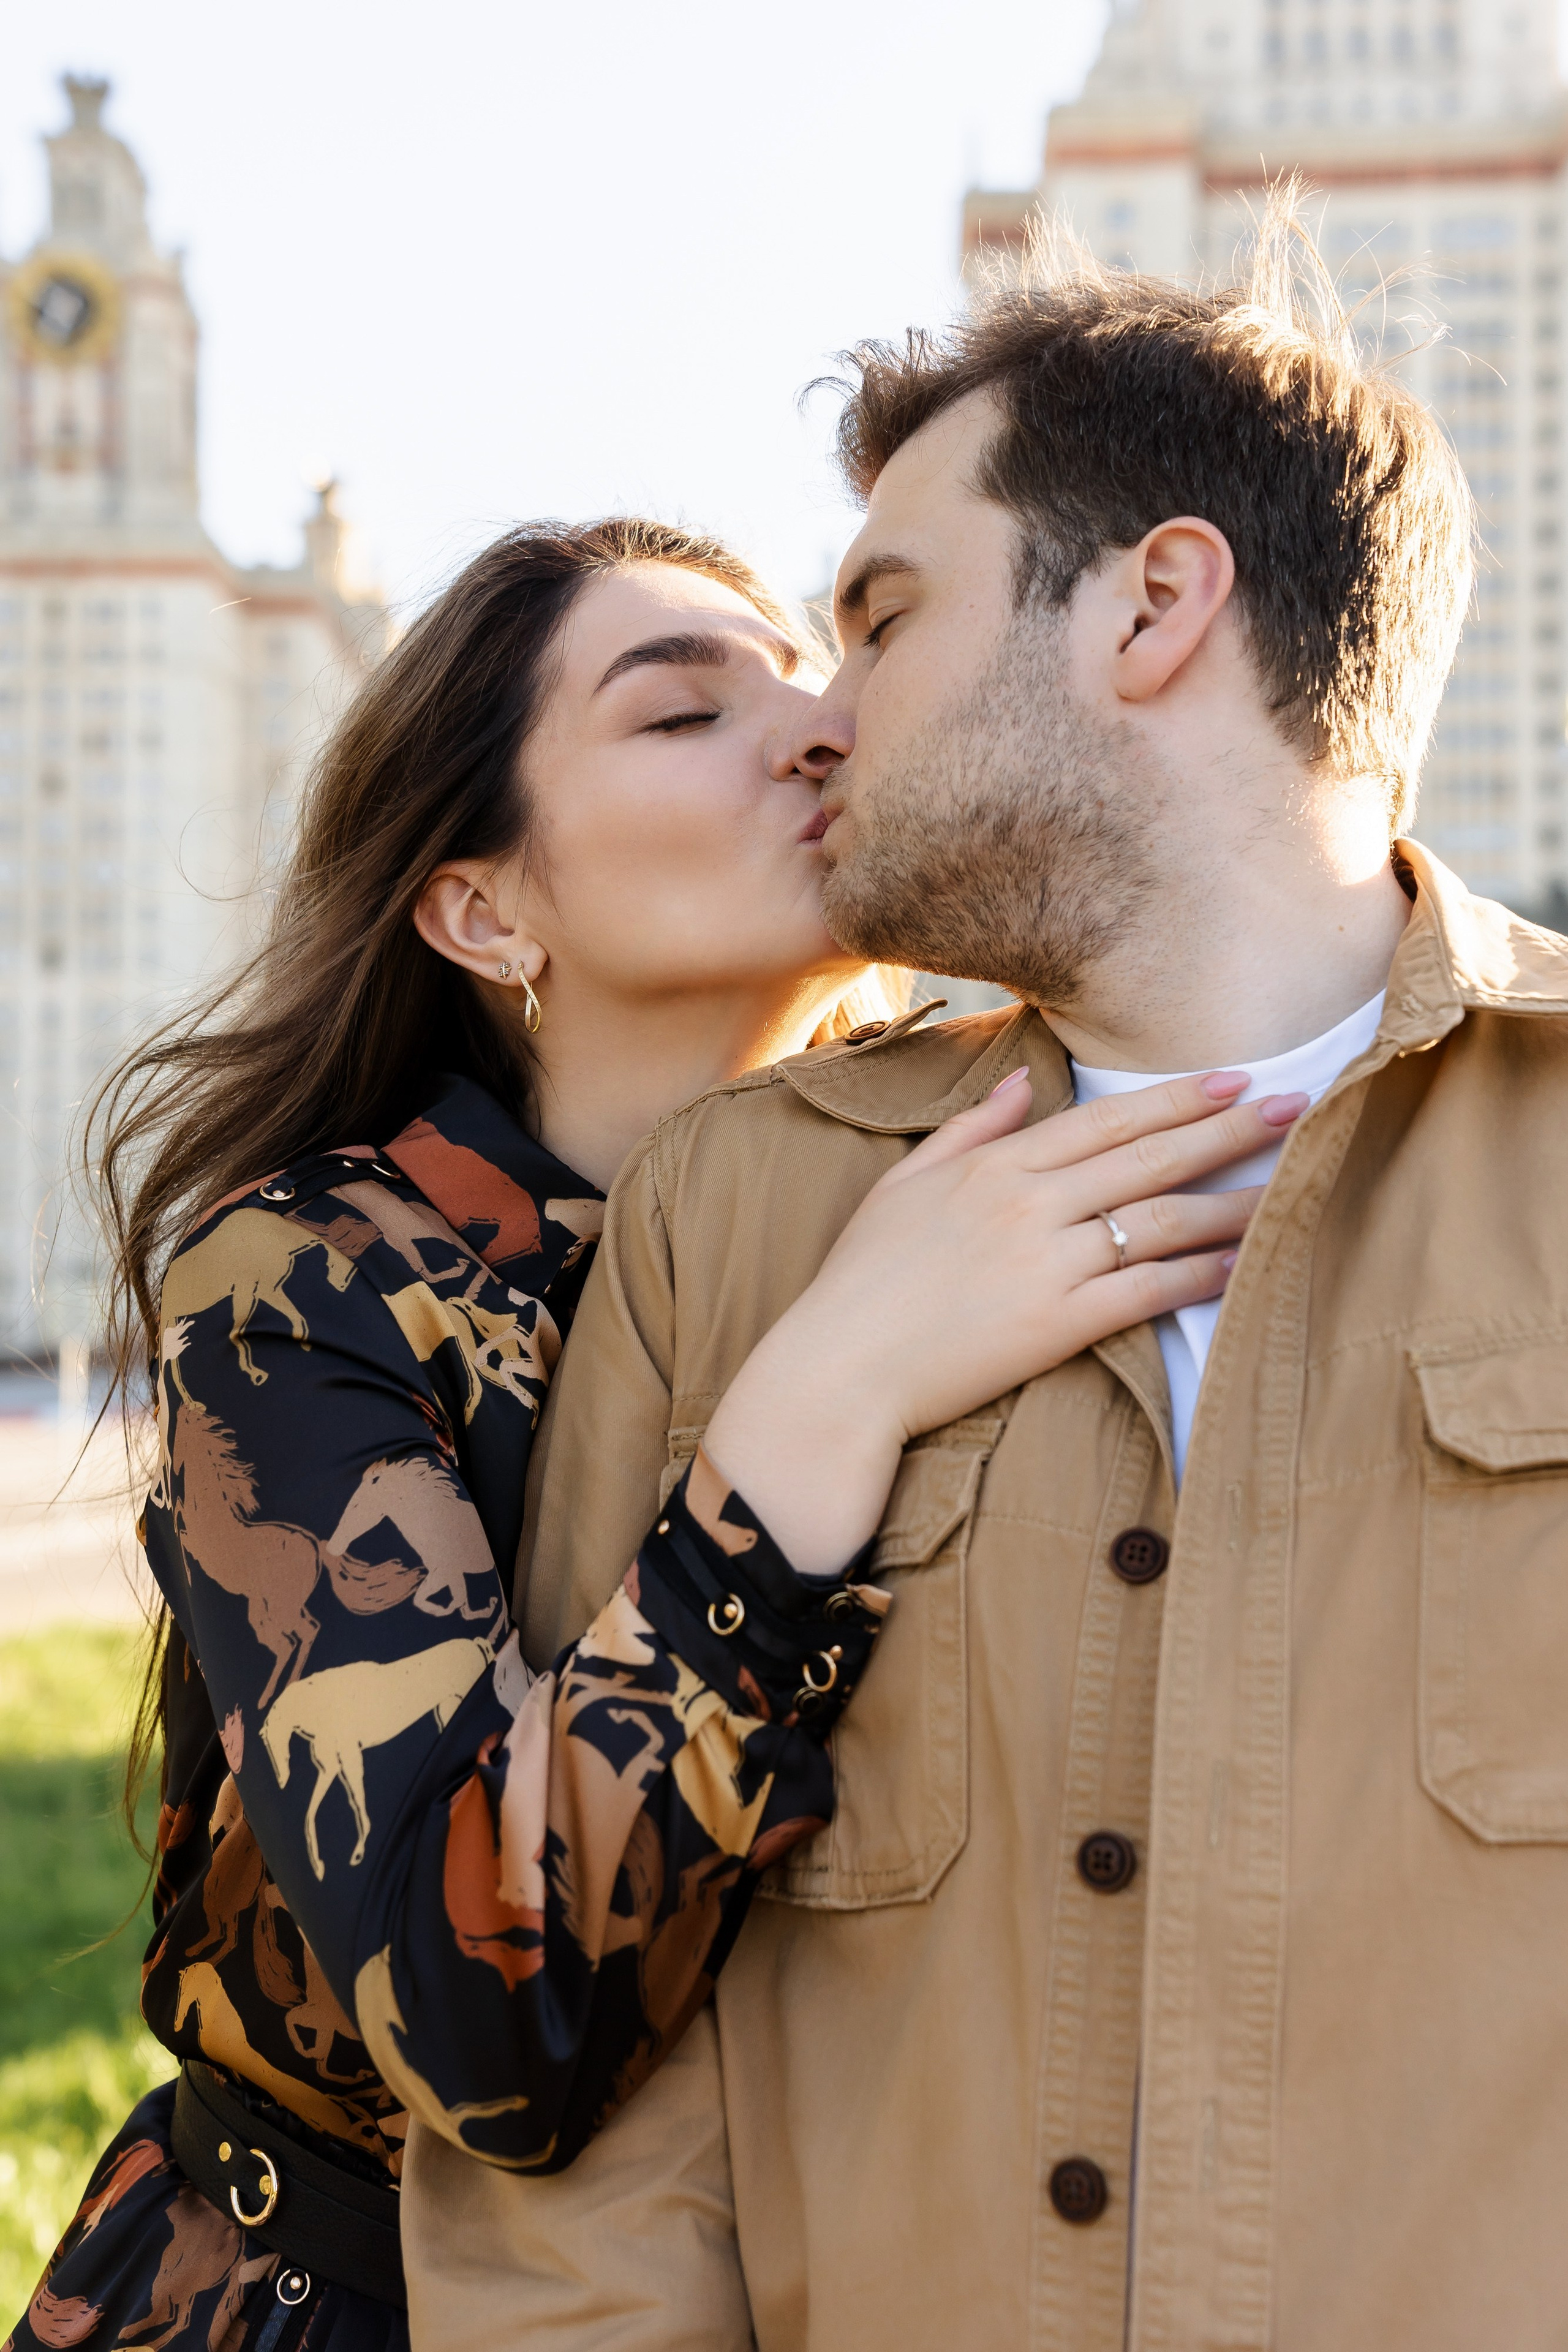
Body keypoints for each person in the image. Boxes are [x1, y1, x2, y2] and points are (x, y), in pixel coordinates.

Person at [406, 205, 1568, 2352]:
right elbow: (586, 2140)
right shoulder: (738, 1222)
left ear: (1153, 606)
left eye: (878, 617)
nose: (820, 721)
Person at [7, 519, 1269, 2352]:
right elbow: (475, 2018)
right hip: (331, 2306)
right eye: (685, 716)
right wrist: (827, 1396)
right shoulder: (309, 1284)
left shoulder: (989, 1193)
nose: (820, 727)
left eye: (816, 675)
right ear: (485, 910)